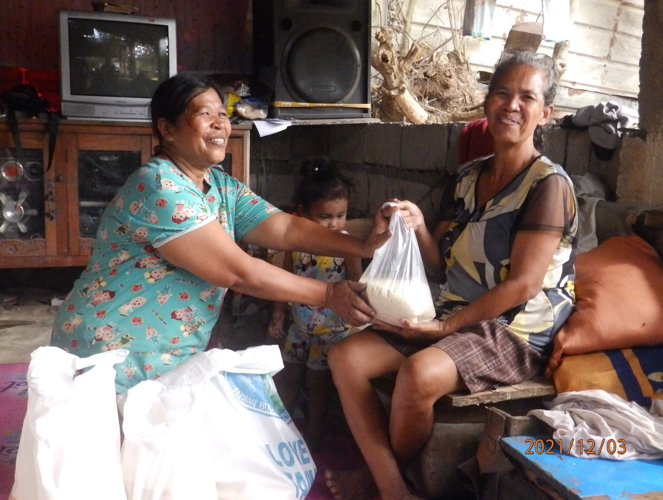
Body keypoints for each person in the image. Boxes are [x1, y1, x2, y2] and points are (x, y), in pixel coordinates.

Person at [325, 50, 579, 500]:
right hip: (454, 314)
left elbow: (523, 284)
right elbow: (440, 266)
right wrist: (418, 225)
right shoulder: (466, 179)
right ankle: (393, 487)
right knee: (346, 357)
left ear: (547, 113)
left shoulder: (548, 185)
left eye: (527, 97)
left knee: (419, 375)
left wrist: (443, 328)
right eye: (502, 93)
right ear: (487, 103)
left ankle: (382, 480)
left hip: (513, 329)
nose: (512, 105)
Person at [50, 73, 390, 393]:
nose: (220, 123)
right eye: (204, 114)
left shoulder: (220, 186)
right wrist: (329, 295)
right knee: (114, 452)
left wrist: (360, 245)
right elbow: (237, 271)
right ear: (167, 129)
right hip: (112, 352)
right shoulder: (159, 186)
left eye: (222, 113)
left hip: (168, 352)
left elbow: (285, 228)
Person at [267, 156, 362, 452]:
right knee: (288, 375)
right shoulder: (295, 243)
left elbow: (357, 284)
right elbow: (284, 278)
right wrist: (278, 313)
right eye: (325, 217)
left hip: (332, 330)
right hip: (298, 326)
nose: (334, 224)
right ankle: (278, 429)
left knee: (318, 384)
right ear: (304, 214)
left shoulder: (347, 245)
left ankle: (314, 436)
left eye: (340, 215)